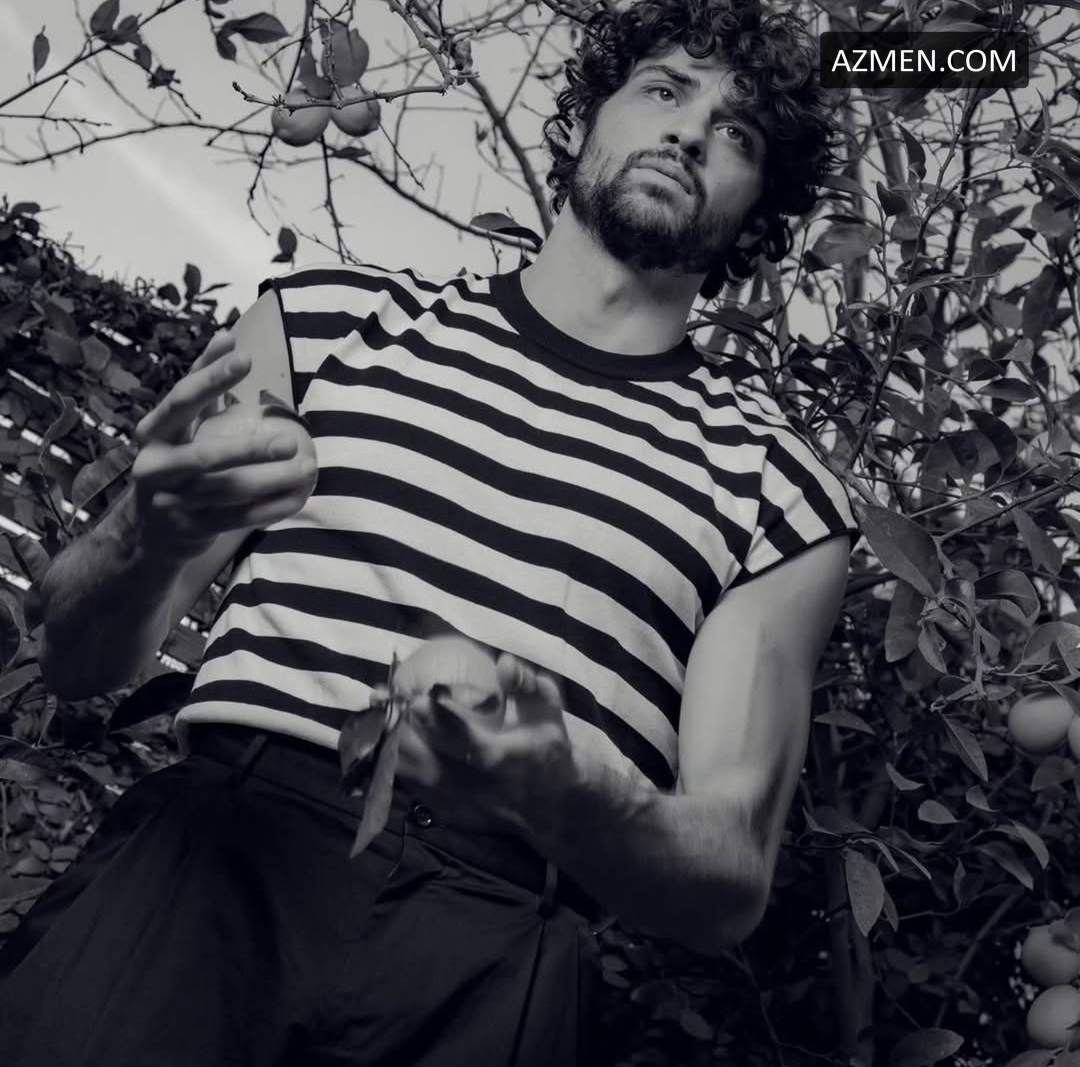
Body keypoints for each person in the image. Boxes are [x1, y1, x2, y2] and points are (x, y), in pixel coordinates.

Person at [0, 0, 860, 1063]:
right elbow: (76, 661)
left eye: (738, 132)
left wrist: (569, 785)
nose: (689, 132)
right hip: (210, 869)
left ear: (760, 207)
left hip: (492, 952)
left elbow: (729, 877)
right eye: (664, 89)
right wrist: (146, 534)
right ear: (587, 116)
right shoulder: (322, 321)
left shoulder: (779, 489)